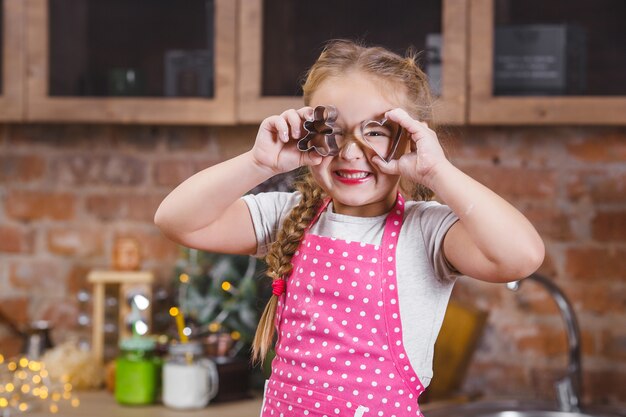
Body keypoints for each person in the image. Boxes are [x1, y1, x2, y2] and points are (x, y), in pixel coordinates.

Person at [154, 40, 544, 417]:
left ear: (409, 137)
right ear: (308, 132)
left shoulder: (427, 231)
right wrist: (260, 163)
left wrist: (437, 171)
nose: (350, 152)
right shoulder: (288, 214)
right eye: (332, 129)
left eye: (374, 130)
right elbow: (177, 221)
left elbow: (521, 257)